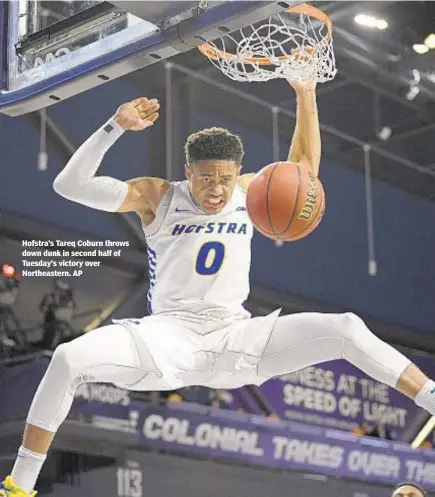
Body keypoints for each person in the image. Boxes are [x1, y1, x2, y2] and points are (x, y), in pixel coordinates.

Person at [1, 79, 435, 497]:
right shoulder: (157, 196)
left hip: (235, 337)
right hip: (169, 337)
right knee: (67, 357)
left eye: (225, 178)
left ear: (239, 172)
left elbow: (303, 170)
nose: (216, 189)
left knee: (345, 326)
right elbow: (68, 186)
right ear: (188, 171)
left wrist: (305, 92)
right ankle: (19, 485)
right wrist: (115, 127)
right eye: (206, 178)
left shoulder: (251, 192)